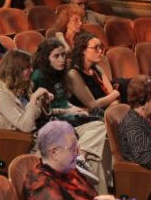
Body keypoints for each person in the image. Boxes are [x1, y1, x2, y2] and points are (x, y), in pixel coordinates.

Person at [31, 37, 110, 190]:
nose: (62, 59)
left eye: (63, 55)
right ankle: (82, 161)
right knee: (95, 157)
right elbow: (42, 111)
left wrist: (74, 108)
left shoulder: (60, 73)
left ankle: (81, 156)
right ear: (46, 58)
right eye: (56, 56)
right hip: (53, 123)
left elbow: (63, 100)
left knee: (101, 125)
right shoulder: (39, 76)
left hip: (68, 119)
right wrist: (67, 110)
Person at [0, 49, 52, 138]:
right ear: (16, 70)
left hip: (36, 132)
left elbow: (36, 116)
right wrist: (34, 98)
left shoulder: (22, 86)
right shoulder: (1, 96)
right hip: (20, 140)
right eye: (28, 67)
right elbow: (26, 127)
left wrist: (44, 103)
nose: (32, 70)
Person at [65, 32, 121, 111]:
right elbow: (93, 105)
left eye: (100, 47)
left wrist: (114, 98)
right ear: (82, 50)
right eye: (95, 48)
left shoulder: (98, 69)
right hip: (91, 114)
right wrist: (116, 94)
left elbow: (110, 94)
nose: (100, 51)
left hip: (109, 109)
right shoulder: (73, 74)